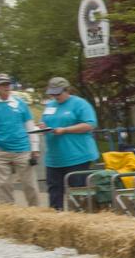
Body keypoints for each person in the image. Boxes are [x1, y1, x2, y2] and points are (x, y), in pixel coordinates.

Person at [0, 73, 41, 206]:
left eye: (7, 84)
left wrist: (35, 148)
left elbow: (30, 126)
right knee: (3, 185)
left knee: (30, 185)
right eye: (2, 84)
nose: (6, 87)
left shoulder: (20, 104)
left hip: (22, 149)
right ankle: (9, 210)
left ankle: (36, 211)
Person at [39, 77, 100, 211]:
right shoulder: (50, 106)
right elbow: (45, 122)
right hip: (54, 159)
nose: (55, 96)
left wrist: (66, 130)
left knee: (77, 194)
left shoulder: (80, 104)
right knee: (54, 194)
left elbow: (90, 124)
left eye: (58, 93)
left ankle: (80, 218)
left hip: (77, 156)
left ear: (67, 90)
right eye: (52, 93)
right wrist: (43, 127)